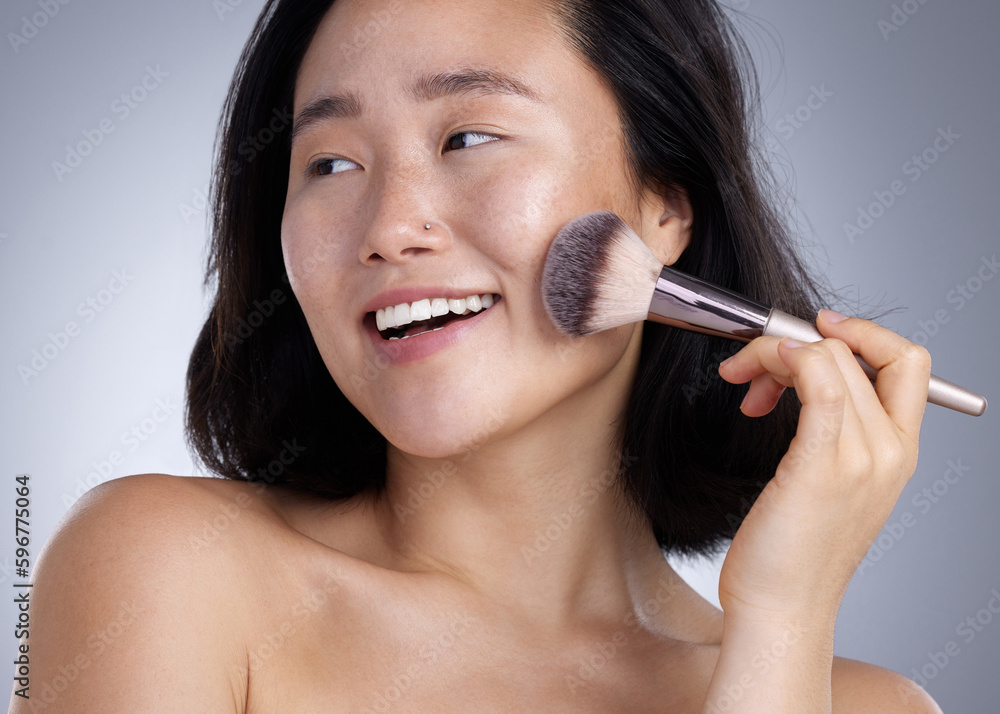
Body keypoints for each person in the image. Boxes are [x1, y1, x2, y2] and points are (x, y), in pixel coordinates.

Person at [14, 0, 944, 711]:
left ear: (663, 207)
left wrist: (780, 628)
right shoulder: (167, 572)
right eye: (330, 163)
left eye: (468, 136)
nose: (388, 229)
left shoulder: (865, 705)